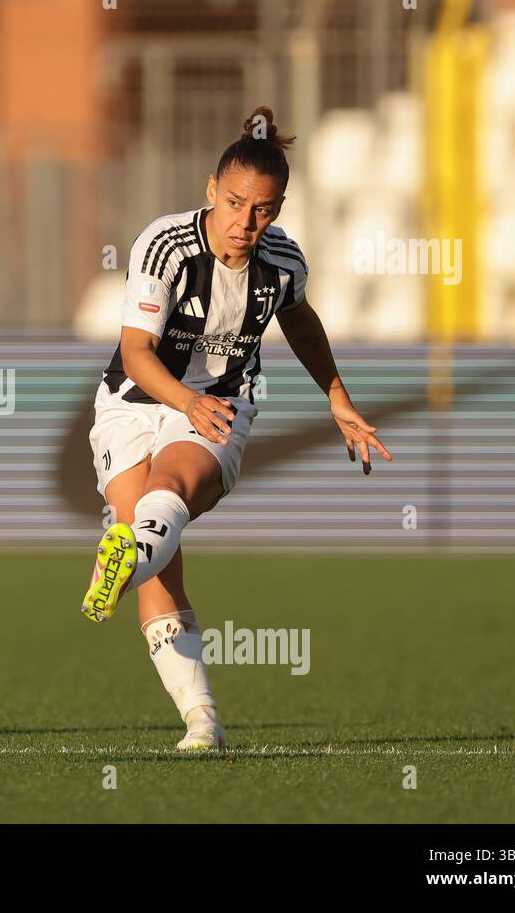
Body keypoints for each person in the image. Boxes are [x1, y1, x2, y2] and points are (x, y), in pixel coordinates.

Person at [81, 106, 393, 751]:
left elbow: (301, 324)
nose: (246, 223)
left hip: (221, 404)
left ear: (279, 209)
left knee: (164, 490)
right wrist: (182, 403)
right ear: (209, 191)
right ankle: (203, 722)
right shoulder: (165, 246)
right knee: (156, 558)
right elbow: (137, 350)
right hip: (133, 400)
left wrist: (337, 397)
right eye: (234, 203)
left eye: (265, 209)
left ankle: (123, 558)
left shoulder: (281, 263)